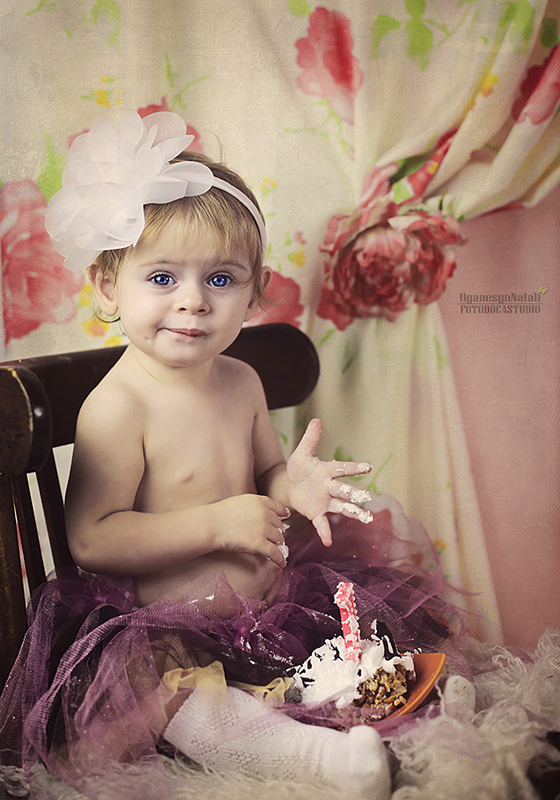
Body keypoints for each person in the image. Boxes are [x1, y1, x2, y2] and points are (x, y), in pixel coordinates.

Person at [0, 111, 465, 800]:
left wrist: (292, 485)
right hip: (169, 629)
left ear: (254, 291)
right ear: (107, 286)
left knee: (355, 641)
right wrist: (217, 524)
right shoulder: (118, 407)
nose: (192, 302)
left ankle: (406, 711)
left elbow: (267, 475)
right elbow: (93, 538)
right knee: (179, 695)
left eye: (220, 279)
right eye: (162, 278)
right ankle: (314, 759)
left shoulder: (242, 381)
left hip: (272, 606)